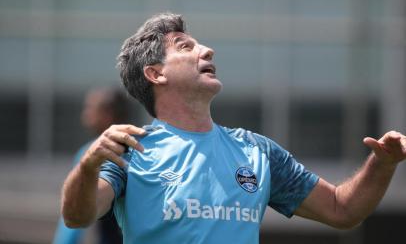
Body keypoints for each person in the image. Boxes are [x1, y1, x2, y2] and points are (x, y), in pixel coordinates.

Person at [60, 13, 406, 244]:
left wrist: (383, 163)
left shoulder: (258, 151)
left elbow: (340, 210)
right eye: (186, 46)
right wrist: (88, 166)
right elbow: (78, 217)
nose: (207, 50)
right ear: (156, 74)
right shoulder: (129, 148)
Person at [54, 87, 128, 244]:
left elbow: (70, 228)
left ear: (108, 114)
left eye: (90, 109)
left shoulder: (90, 155)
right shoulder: (142, 148)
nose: (85, 115)